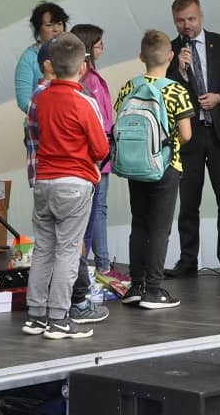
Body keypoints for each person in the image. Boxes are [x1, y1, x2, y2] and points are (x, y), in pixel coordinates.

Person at [22, 33, 109, 340]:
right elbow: (101, 148)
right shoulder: (85, 102)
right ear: (82, 67)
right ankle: (59, 319)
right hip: (74, 183)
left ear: (52, 65)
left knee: (43, 250)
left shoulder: (40, 98)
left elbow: (33, 137)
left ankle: (36, 316)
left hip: (44, 182)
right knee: (69, 252)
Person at [165, 0, 220, 279]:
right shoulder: (170, 50)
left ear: (201, 16)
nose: (186, 25)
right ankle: (187, 260)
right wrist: (179, 71)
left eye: (191, 19)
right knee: (188, 201)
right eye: (180, 21)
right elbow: (165, 91)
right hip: (188, 136)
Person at [116, 30, 193, 309]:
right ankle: (154, 289)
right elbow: (186, 135)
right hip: (166, 166)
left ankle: (135, 286)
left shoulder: (129, 87)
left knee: (139, 224)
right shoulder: (176, 90)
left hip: (135, 166)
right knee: (160, 229)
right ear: (171, 56)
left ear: (141, 57)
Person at [69, 23, 126, 284]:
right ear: (89, 47)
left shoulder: (84, 78)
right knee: (96, 210)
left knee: (93, 210)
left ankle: (91, 264)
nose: (103, 48)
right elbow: (100, 120)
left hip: (95, 152)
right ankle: (101, 265)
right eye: (99, 43)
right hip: (97, 154)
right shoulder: (90, 80)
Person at [14, 1, 68, 118]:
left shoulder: (71, 51)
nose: (56, 29)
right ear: (38, 29)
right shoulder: (28, 58)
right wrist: (51, 116)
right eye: (49, 25)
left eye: (59, 23)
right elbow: (24, 102)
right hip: (43, 122)